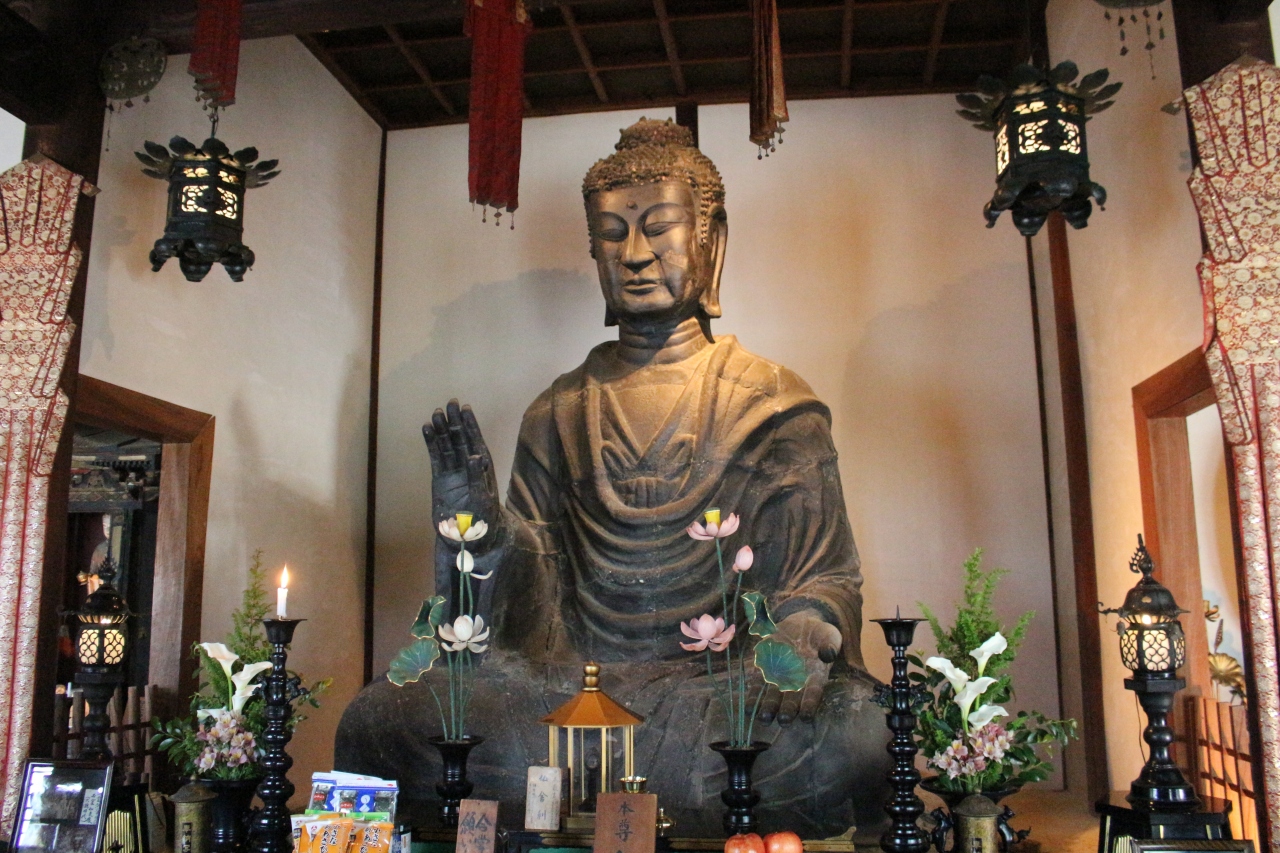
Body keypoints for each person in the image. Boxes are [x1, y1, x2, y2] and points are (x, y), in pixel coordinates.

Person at [337, 119, 889, 836]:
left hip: (713, 693)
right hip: (571, 690)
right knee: (378, 719)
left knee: (864, 733)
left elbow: (823, 575)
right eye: (610, 233)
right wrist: (477, 525)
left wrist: (802, 629)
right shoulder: (558, 410)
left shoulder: (775, 403)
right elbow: (522, 615)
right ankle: (644, 794)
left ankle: (577, 795)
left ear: (712, 241)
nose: (633, 254)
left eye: (658, 228)